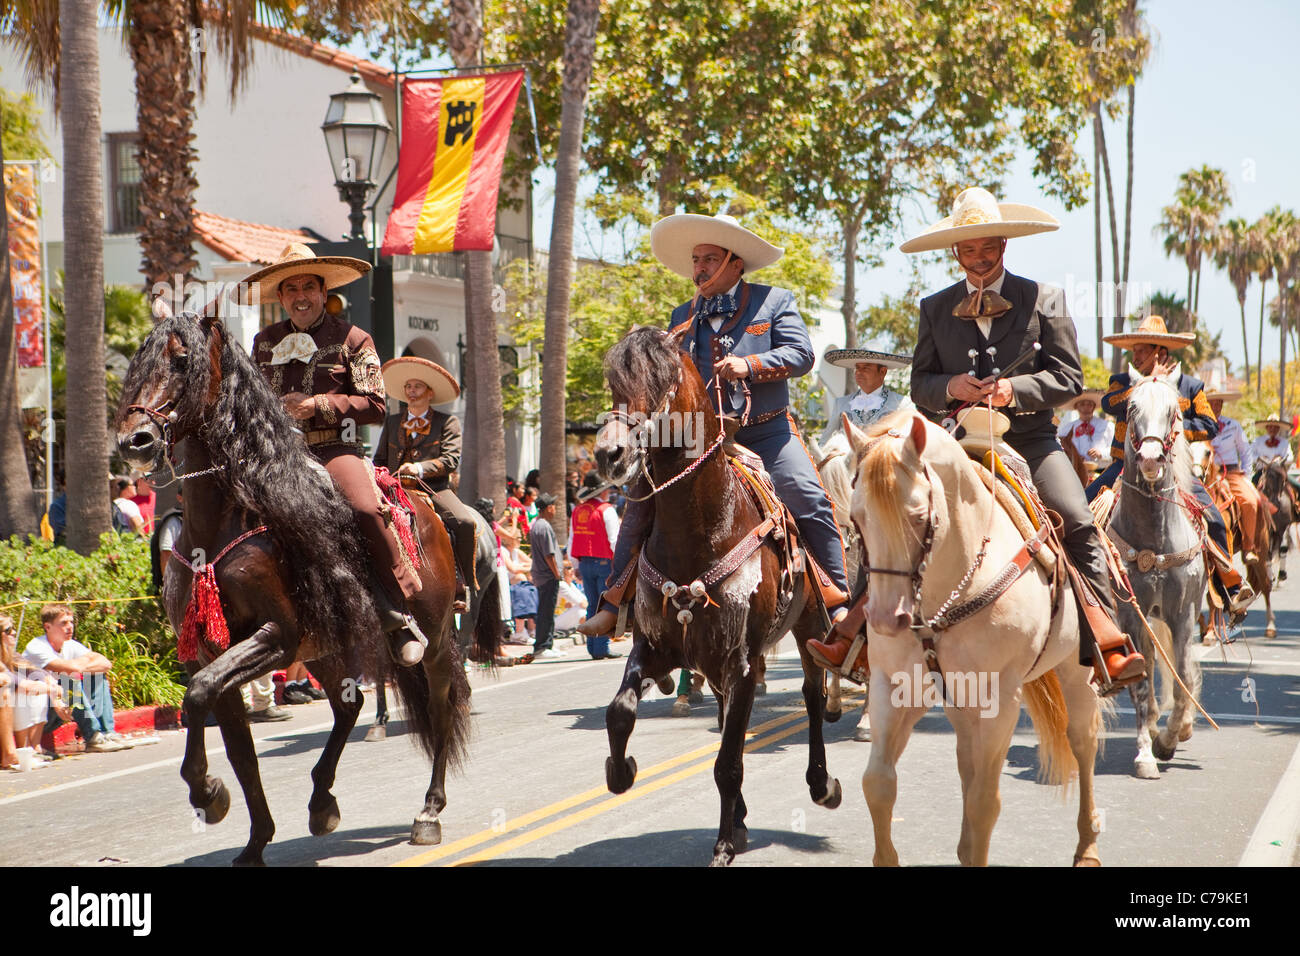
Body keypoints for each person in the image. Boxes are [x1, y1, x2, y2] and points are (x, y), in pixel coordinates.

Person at [812, 186, 1143, 689]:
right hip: (954, 441)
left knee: (1076, 519)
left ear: (1004, 246)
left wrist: (1015, 389)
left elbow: (1069, 380)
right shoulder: (934, 306)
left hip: (1030, 442)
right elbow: (920, 383)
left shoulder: (1044, 298)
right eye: (969, 250)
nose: (980, 258)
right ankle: (854, 638)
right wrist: (950, 386)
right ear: (955, 253)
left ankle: (1107, 644)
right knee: (888, 507)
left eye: (988, 248)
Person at [581, 211, 850, 638]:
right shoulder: (679, 316)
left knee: (808, 496)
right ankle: (617, 602)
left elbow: (802, 355)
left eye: (709, 259)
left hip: (767, 431)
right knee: (638, 500)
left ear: (734, 262)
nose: (700, 268)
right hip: (693, 439)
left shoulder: (773, 301)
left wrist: (751, 364)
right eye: (696, 259)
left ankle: (836, 600)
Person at [246, 243, 427, 666]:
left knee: (364, 509)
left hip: (334, 447)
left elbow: (377, 405)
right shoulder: (263, 343)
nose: (300, 295)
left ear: (323, 290)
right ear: (281, 297)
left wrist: (318, 405)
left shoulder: (353, 338)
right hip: (277, 455)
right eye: (291, 289)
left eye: (309, 286)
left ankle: (397, 612)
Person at [1088, 314, 1252, 621]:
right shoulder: (1122, 383)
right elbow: (1109, 405)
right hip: (1124, 467)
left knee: (1213, 518)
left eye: (1140, 352)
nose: (1134, 357)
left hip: (1174, 468)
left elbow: (1209, 425)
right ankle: (1079, 584)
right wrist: (1151, 383)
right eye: (1133, 352)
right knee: (1082, 507)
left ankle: (1229, 584)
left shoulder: (1190, 386)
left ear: (1160, 352)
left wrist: (1172, 424)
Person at [372, 355, 483, 612]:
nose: (412, 392)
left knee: (465, 522)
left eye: (417, 387)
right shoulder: (391, 422)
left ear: (430, 392)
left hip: (435, 488)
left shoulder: (448, 422)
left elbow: (451, 459)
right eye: (408, 387)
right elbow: (379, 458)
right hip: (394, 489)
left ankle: (462, 585)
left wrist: (419, 468)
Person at [22, 604, 135, 752]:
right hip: (36, 715)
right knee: (69, 679)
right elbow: (70, 670)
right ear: (47, 627)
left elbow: (105, 663)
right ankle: (93, 736)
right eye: (63, 623)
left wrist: (78, 666)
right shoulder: (37, 647)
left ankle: (107, 733)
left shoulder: (70, 645)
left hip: (61, 706)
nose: (70, 627)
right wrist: (80, 664)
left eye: (71, 622)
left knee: (97, 675)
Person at [1206, 390, 1265, 564]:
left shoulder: (1234, 425)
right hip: (1207, 475)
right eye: (1213, 403)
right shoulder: (1199, 425)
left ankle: (1248, 548)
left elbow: (1246, 452)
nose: (1216, 406)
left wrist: (1246, 476)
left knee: (1250, 501)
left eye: (1219, 403)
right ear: (1206, 404)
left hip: (1231, 473)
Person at [569, 474, 622, 660]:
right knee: (605, 606)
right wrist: (620, 564)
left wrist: (575, 564)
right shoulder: (607, 510)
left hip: (584, 562)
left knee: (592, 604)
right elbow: (614, 540)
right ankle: (601, 648)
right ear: (604, 491)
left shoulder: (577, 511)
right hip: (604, 563)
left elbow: (572, 539)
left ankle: (592, 647)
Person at [820, 348, 914, 442]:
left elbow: (909, 444)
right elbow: (825, 441)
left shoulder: (903, 404)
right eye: (857, 368)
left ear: (882, 372)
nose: (859, 372)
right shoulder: (840, 403)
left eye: (866, 368)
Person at [529, 493, 566, 660]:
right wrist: (557, 574)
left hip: (543, 576)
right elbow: (548, 555)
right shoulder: (543, 526)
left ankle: (546, 644)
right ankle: (543, 646)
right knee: (546, 611)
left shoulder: (539, 525)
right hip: (547, 576)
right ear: (548, 508)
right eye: (553, 506)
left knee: (546, 611)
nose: (555, 509)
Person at [1056, 391, 1113, 484]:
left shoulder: (1107, 426)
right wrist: (1076, 457)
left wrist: (1101, 453)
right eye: (1082, 404)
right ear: (1076, 407)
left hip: (1103, 473)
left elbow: (1116, 449)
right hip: (1075, 475)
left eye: (1089, 404)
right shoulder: (1066, 429)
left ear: (1094, 406)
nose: (1086, 407)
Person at [150, 490, 184, 595]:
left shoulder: (203, 519)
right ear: (179, 497)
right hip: (180, 588)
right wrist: (170, 588)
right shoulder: (174, 521)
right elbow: (166, 554)